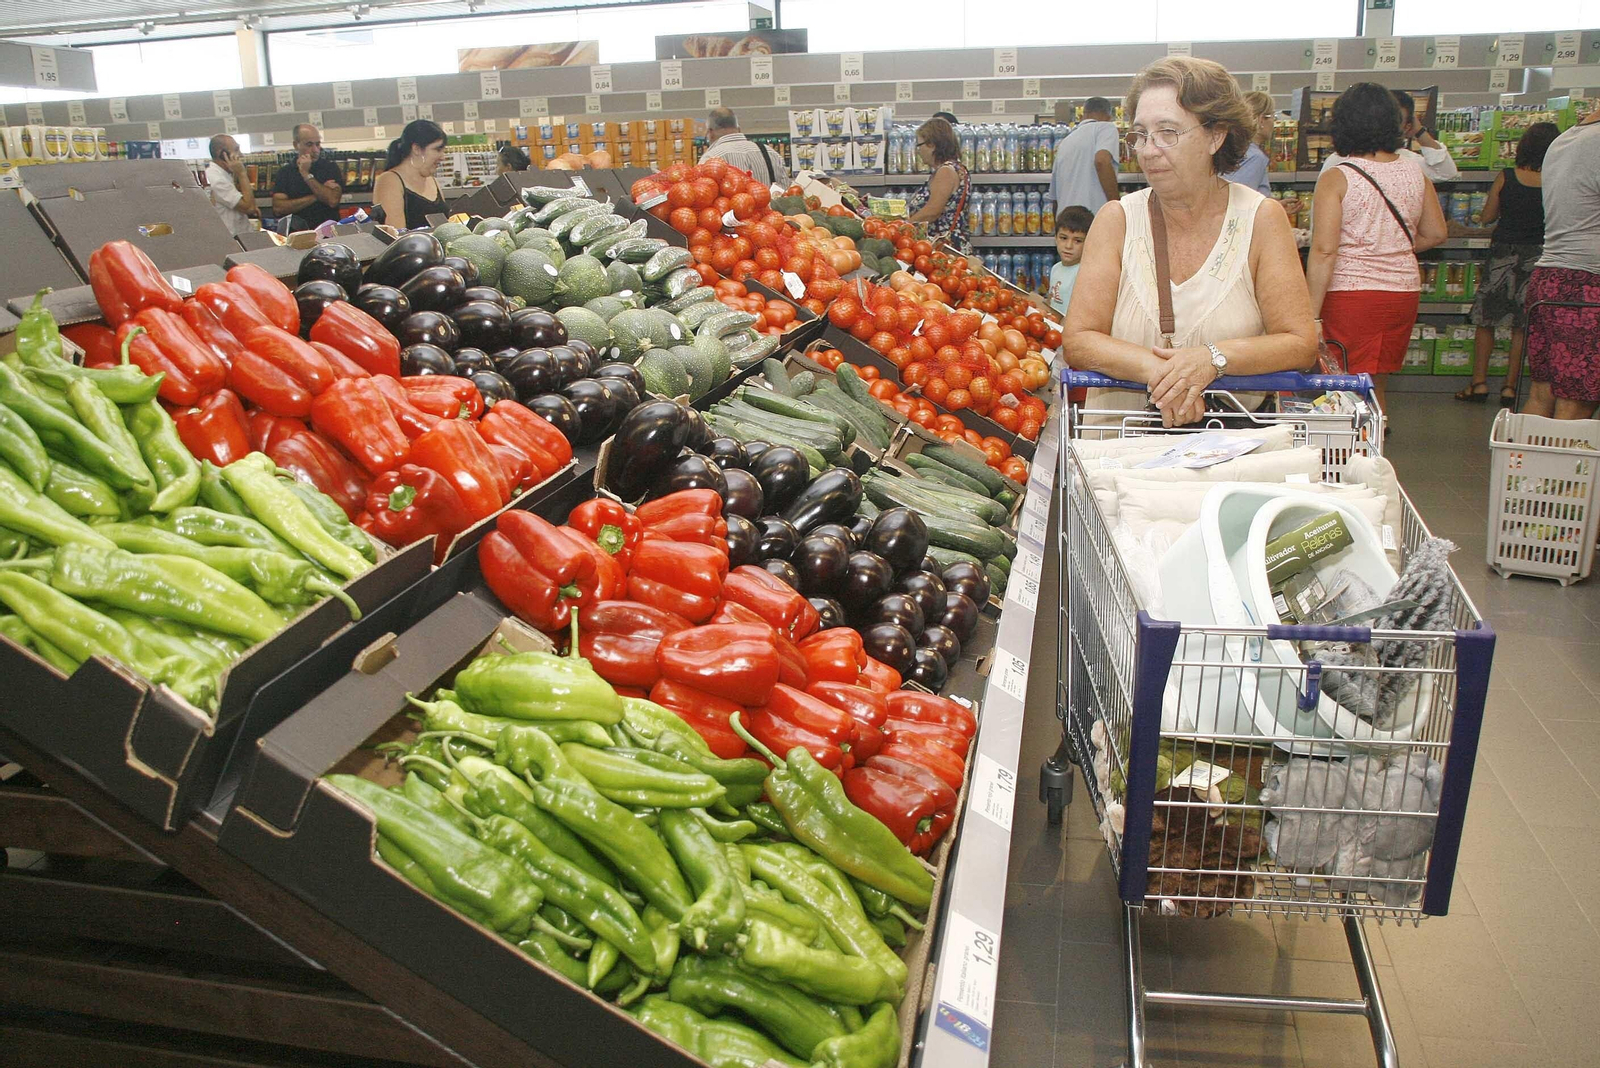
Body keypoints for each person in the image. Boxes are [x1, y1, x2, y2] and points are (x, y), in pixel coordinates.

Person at [1062, 57, 1317, 428]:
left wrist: (1211, 358)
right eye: (1140, 135)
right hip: (1123, 460)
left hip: (1232, 456)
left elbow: (1298, 343)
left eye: (1168, 132)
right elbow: (1080, 339)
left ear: (1216, 135)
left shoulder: (1260, 219)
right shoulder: (1117, 221)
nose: (1149, 150)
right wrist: (1167, 376)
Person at [1307, 83, 1447, 412]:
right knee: (1376, 384)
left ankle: (1346, 459)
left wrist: (1311, 315)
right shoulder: (1415, 172)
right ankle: (1374, 454)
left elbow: (1324, 251)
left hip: (1352, 297)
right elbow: (1436, 233)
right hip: (1402, 294)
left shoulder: (1337, 177)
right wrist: (1392, 248)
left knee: (1343, 386)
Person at [1456, 121, 1559, 406]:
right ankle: (1510, 388)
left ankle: (1478, 383)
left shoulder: (1507, 176)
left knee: (1485, 321)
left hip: (1502, 255)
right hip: (1538, 256)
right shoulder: (1555, 180)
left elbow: (1488, 217)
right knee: (1521, 326)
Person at [1522, 106, 1600, 420]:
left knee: (1543, 393)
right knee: (1576, 401)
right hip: (1586, 288)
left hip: (1550, 279)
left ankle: (1528, 470)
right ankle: (1559, 470)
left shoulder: (1566, 138)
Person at [1319, 88, 1460, 183]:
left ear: (1407, 127)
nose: (1386, 126)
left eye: (1396, 121)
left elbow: (1447, 173)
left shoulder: (1409, 163)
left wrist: (1420, 132)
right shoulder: (1338, 160)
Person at [907, 118, 972, 251]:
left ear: (932, 145)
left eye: (919, 145)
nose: (918, 151)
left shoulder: (945, 172)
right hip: (950, 245)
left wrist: (904, 226)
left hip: (943, 248)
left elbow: (933, 211)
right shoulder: (957, 168)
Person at [1050, 97, 1121, 217]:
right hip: (1093, 219)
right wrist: (1117, 206)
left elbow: (1054, 197)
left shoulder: (1065, 142)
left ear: (1082, 116)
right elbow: (1101, 161)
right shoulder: (1106, 128)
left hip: (1067, 223)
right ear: (1109, 117)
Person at [373, 120, 448, 232]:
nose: (443, 156)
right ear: (416, 149)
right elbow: (395, 236)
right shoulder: (389, 181)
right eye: (437, 149)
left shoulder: (432, 180)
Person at [271, 124, 343, 231]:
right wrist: (317, 196)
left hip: (328, 233)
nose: (315, 150)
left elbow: (332, 200)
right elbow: (279, 208)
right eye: (309, 145)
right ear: (296, 145)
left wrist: (306, 174)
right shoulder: (285, 172)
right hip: (297, 234)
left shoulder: (330, 168)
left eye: (317, 144)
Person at [700, 107, 789, 186]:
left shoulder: (709, 160)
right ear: (739, 129)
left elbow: (703, 195)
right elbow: (785, 194)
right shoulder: (771, 153)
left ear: (710, 133)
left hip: (734, 204)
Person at [1040, 205, 1093, 320]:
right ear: (1055, 238)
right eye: (1063, 238)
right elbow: (1051, 299)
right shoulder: (1055, 268)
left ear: (1089, 242)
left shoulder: (1086, 273)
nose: (1068, 246)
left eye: (1077, 241)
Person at [1221, 90, 1274, 196]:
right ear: (1261, 120)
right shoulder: (1255, 157)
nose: (1274, 123)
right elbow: (1237, 200)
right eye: (1273, 117)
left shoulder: (1233, 148)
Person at [205, 133, 257, 237]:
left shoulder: (223, 174)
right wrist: (242, 174)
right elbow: (249, 207)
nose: (241, 155)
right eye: (236, 150)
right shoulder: (217, 179)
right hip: (233, 239)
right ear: (222, 154)